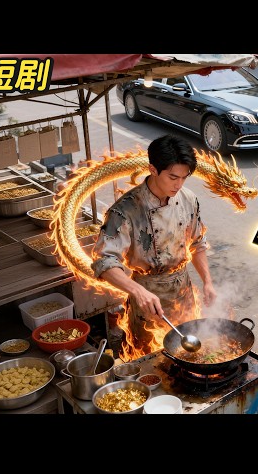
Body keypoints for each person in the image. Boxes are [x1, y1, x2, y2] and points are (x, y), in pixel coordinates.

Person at [91, 134, 217, 355]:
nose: (179, 184)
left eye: (184, 178)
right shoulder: (125, 210)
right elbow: (104, 261)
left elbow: (197, 244)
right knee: (150, 360)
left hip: (183, 292)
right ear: (153, 169)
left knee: (190, 356)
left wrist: (207, 282)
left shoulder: (188, 199)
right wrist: (138, 291)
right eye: (173, 177)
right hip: (147, 300)